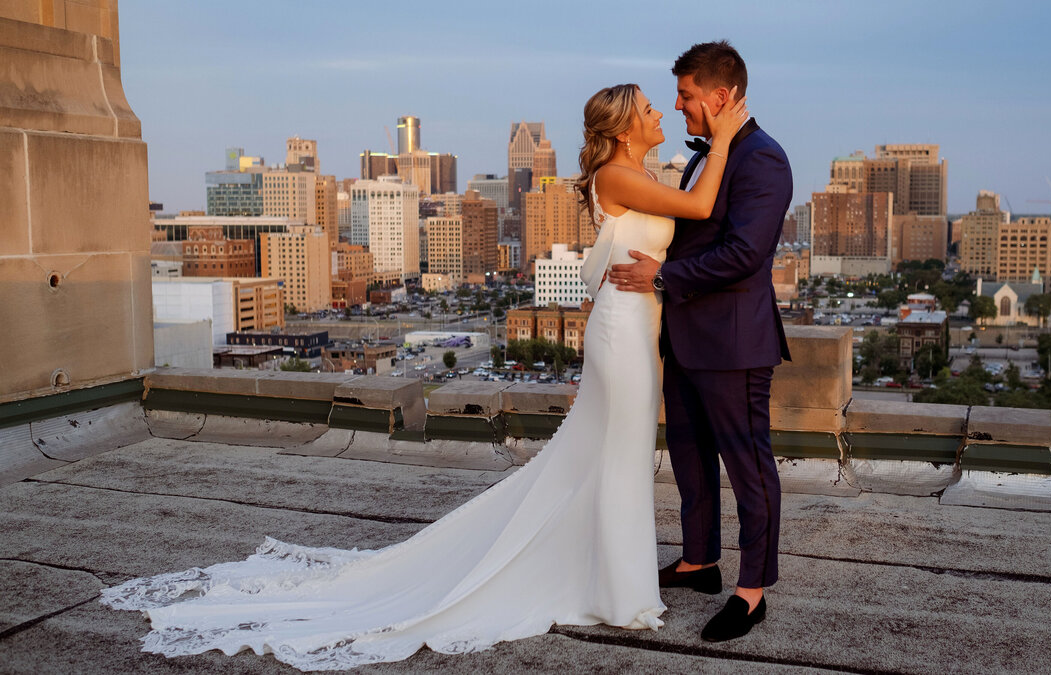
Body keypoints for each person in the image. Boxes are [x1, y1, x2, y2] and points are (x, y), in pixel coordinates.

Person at [98, 84, 747, 671]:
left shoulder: (633, 169)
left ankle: (609, 575)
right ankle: (615, 587)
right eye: (650, 109)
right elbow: (700, 203)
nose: (661, 112)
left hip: (636, 322)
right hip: (622, 328)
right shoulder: (617, 174)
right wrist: (721, 137)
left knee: (619, 453)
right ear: (626, 125)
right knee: (617, 454)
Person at [609, 40, 793, 642]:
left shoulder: (763, 159)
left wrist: (662, 276)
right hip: (685, 337)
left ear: (720, 96)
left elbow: (744, 254)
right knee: (689, 460)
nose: (679, 106)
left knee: (748, 469)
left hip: (734, 344)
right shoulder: (712, 153)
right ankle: (699, 561)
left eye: (686, 96)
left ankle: (752, 590)